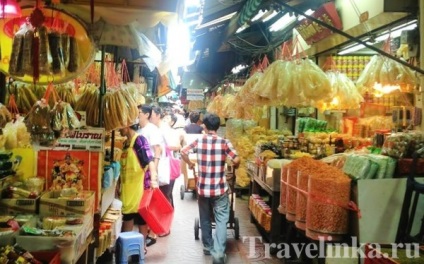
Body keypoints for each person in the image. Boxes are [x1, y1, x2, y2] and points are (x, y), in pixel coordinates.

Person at [180, 113, 240, 264]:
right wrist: (235, 165)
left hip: (202, 189)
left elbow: (183, 152)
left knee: (205, 217)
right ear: (218, 127)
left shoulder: (199, 141)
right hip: (219, 189)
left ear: (204, 127)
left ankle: (207, 246)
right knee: (221, 220)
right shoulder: (225, 142)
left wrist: (190, 164)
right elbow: (237, 159)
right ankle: (219, 253)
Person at [117, 120, 158, 255]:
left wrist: (153, 179)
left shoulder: (139, 140)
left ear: (127, 124)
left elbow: (149, 160)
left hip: (140, 188)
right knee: (127, 217)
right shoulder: (125, 144)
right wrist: (118, 184)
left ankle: (142, 247)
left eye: (120, 126)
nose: (118, 129)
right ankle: (127, 248)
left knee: (141, 219)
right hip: (127, 190)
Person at [138, 104, 170, 239]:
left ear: (146, 114)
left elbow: (157, 150)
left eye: (139, 113)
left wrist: (154, 171)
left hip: (149, 171)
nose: (137, 115)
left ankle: (153, 232)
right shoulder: (141, 129)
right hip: (142, 170)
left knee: (150, 202)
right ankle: (149, 231)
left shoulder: (152, 130)